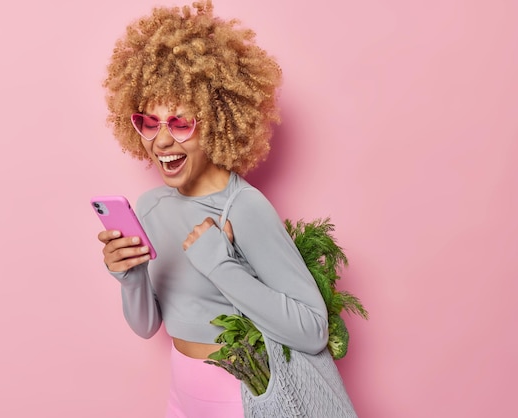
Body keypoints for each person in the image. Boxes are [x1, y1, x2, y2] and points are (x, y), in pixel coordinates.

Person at [98, 2, 354, 417]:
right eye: (150, 122)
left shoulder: (245, 207)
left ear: (217, 120)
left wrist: (219, 263)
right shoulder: (151, 206)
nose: (161, 142)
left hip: (237, 396)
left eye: (180, 123)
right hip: (180, 394)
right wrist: (130, 277)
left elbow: (312, 330)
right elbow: (148, 327)